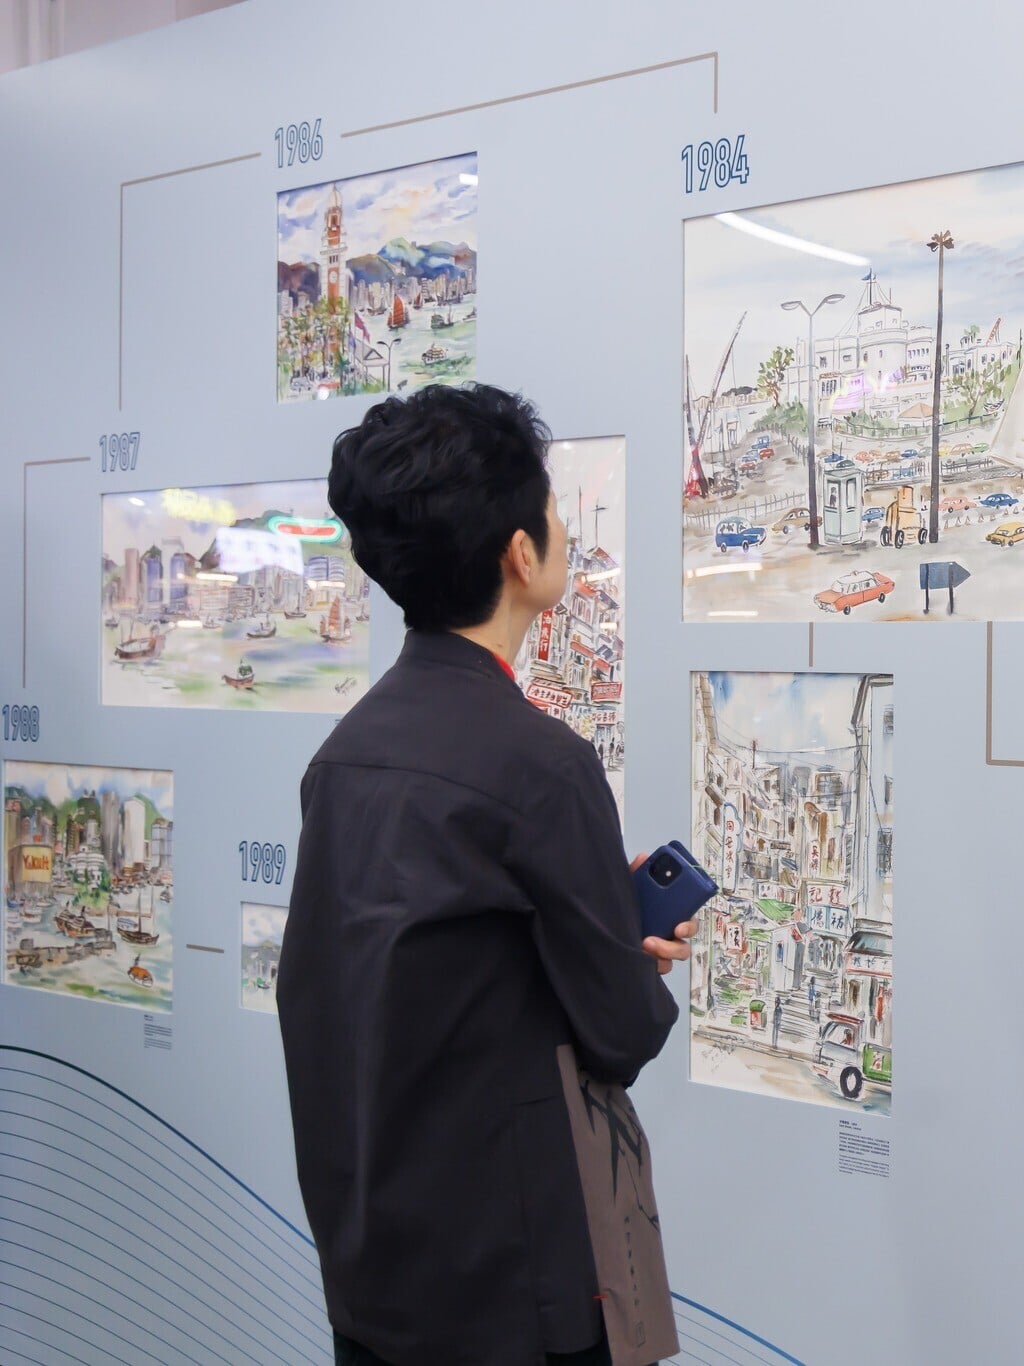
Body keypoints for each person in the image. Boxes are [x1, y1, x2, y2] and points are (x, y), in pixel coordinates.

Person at [278, 384, 693, 1366]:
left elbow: (395, 989)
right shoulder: (543, 766)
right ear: (519, 553)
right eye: (551, 511)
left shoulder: (345, 755)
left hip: (377, 1282)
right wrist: (627, 950)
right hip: (515, 1290)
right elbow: (623, 1031)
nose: (562, 530)